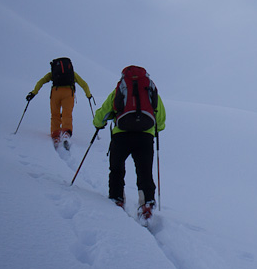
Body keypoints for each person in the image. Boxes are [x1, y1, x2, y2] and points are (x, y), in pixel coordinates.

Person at [93, 65, 165, 219]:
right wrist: (157, 128)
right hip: (145, 136)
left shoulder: (120, 90)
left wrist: (98, 124)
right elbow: (160, 118)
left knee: (117, 169)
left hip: (121, 135)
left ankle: (117, 198)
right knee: (144, 171)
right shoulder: (150, 90)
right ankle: (147, 203)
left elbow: (105, 111)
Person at [27, 57, 93, 147]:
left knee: (55, 114)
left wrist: (34, 92)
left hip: (56, 92)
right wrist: (88, 95)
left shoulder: (53, 73)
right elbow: (84, 84)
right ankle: (66, 134)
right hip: (68, 93)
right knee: (67, 114)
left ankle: (56, 135)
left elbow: (41, 81)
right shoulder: (72, 74)